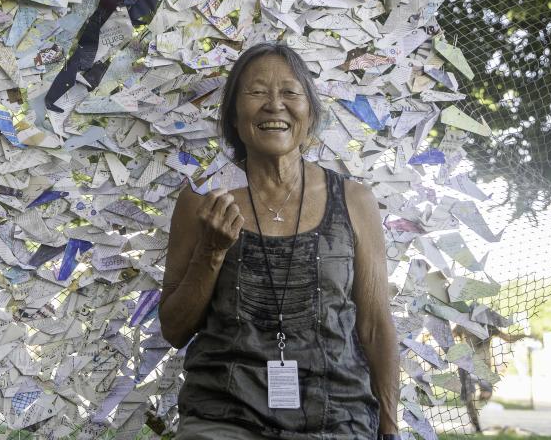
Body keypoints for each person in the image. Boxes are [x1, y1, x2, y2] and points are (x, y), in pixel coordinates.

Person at [159, 42, 400, 440]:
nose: (275, 105)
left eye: (290, 92)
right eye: (256, 92)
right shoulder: (202, 198)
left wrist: (390, 430)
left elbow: (375, 326)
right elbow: (174, 329)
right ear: (235, 117)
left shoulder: (355, 200)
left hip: (337, 416)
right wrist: (211, 252)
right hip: (224, 417)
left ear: (310, 114)